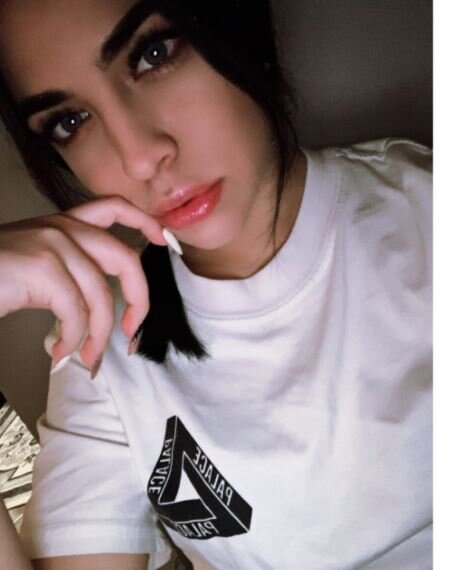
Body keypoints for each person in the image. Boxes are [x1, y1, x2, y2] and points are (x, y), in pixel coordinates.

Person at [0, 0, 432, 568]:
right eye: (70, 122)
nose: (140, 158)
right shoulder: (101, 345)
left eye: (154, 54)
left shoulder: (428, 210)